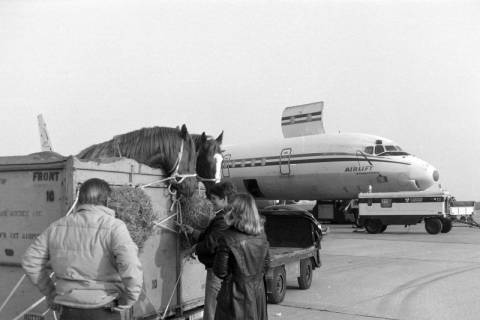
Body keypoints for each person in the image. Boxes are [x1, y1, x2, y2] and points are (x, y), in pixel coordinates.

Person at [22, 178, 143, 320]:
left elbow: (30, 261)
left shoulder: (57, 227)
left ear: (80, 199)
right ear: (106, 200)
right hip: (104, 309)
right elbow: (130, 266)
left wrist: (51, 293)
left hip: (68, 311)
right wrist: (127, 299)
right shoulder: (115, 227)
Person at [182, 181, 236, 320]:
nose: (211, 203)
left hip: (217, 269)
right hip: (221, 268)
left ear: (224, 199)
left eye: (214, 199)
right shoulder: (226, 216)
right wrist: (193, 231)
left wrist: (192, 249)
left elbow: (210, 244)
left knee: (211, 308)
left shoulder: (223, 220)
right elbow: (211, 237)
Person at [213, 193, 269, 320]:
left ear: (236, 213)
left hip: (235, 295)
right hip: (257, 293)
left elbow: (220, 272)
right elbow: (266, 265)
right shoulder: (261, 235)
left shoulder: (227, 237)